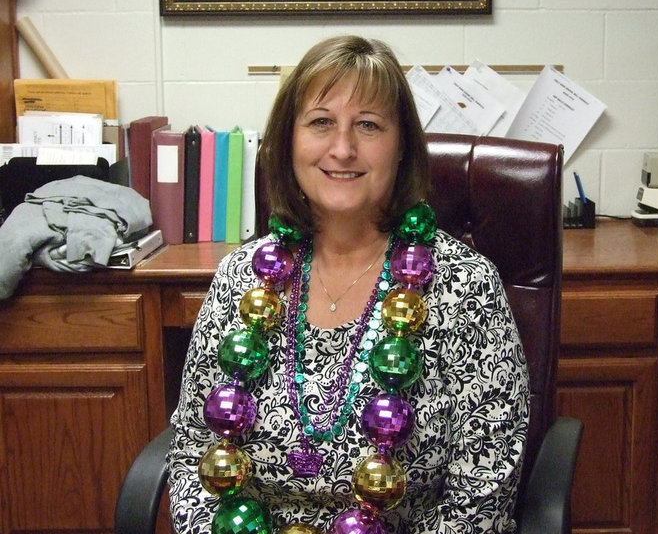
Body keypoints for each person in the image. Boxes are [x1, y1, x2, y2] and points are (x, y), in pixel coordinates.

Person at [167, 35, 530, 534]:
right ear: (288, 141)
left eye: (368, 125)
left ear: (402, 147)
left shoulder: (465, 287)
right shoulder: (240, 278)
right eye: (320, 122)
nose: (342, 148)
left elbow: (483, 491)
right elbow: (191, 454)